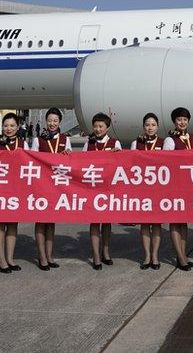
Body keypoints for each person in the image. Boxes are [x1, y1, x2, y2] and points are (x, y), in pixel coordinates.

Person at [32, 108, 70, 271]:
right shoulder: (37, 140)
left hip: (56, 186)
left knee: (51, 222)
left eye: (55, 121)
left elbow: (69, 163)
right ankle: (42, 257)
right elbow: (31, 161)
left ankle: (49, 255)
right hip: (41, 186)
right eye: (50, 120)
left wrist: (67, 155)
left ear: (59, 122)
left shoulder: (65, 139)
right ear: (45, 122)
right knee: (41, 222)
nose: (52, 123)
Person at [84, 112, 121, 270]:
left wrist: (116, 155)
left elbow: (121, 164)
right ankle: (96, 256)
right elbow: (81, 164)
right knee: (94, 222)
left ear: (107, 127)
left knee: (106, 222)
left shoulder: (115, 143)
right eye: (95, 126)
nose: (98, 129)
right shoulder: (88, 143)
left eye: (101, 126)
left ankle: (105, 251)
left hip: (108, 188)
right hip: (92, 188)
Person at [163, 107, 193, 271]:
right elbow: (166, 162)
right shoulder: (170, 140)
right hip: (175, 185)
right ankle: (180, 257)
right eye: (179, 120)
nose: (182, 122)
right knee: (175, 221)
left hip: (189, 185)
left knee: (184, 222)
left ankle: (184, 254)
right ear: (174, 122)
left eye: (184, 119)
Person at [0, 113, 25, 273]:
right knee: (0, 224)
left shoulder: (24, 144)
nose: (9, 128)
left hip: (16, 189)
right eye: (6, 125)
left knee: (12, 224)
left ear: (17, 127)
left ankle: (10, 258)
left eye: (12, 126)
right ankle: (1, 260)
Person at [130, 113, 163, 270]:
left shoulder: (164, 143)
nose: (150, 127)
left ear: (158, 127)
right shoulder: (136, 143)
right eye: (147, 125)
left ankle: (155, 255)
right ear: (143, 127)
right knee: (144, 224)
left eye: (153, 125)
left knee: (156, 223)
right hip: (142, 189)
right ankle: (147, 256)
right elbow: (128, 163)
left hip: (158, 189)